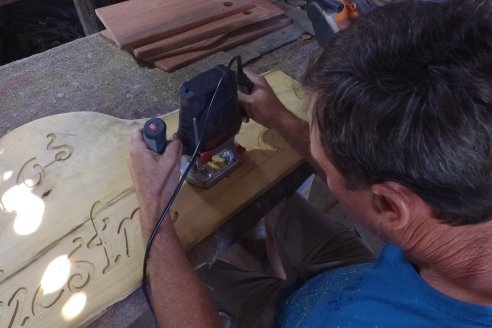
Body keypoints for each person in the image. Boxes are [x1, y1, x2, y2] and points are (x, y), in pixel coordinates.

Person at [127, 0, 492, 327]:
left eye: (325, 162)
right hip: (356, 277)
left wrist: (155, 215)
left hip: (315, 311)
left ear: (388, 204)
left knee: (191, 271)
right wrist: (281, 119)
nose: (319, 161)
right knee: (268, 208)